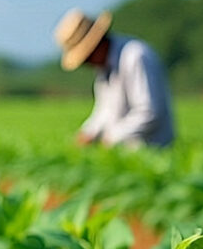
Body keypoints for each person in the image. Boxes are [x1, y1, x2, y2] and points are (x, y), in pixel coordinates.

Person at [53, 8, 175, 148]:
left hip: (153, 151)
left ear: (96, 46)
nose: (88, 65)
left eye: (86, 59)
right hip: (124, 151)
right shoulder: (104, 68)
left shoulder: (135, 56)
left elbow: (149, 112)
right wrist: (88, 133)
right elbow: (105, 110)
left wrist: (111, 137)